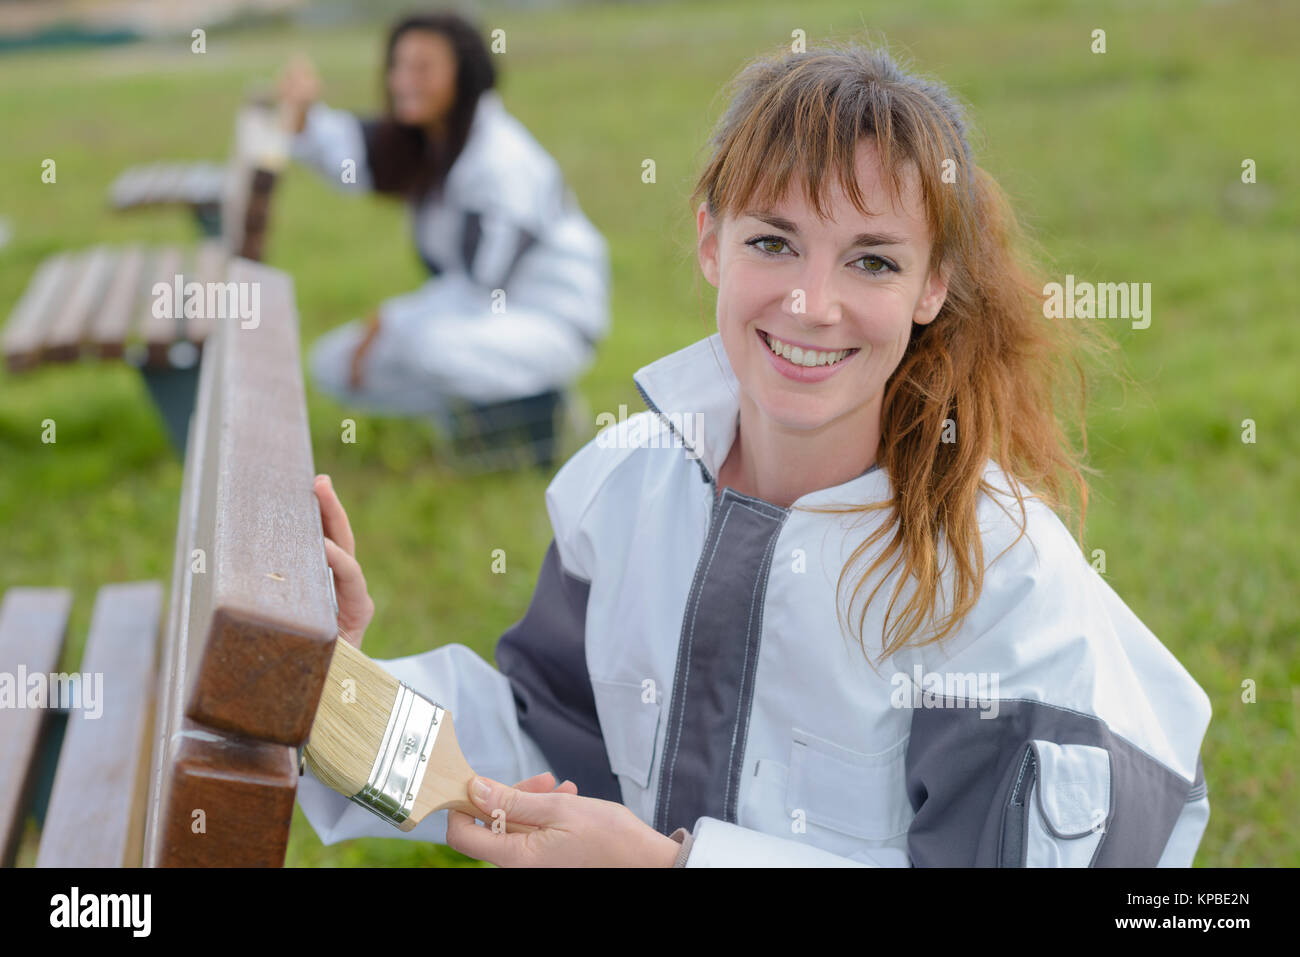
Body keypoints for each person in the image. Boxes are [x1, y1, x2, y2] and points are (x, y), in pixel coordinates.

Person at [297, 41, 1212, 867]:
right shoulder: (619, 486)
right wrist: (322, 681)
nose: (813, 304)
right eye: (774, 242)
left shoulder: (1000, 572)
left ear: (934, 284)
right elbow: (547, 741)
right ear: (711, 243)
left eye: (873, 261)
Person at [279, 11, 610, 435]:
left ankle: (541, 409)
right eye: (398, 66)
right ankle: (477, 419)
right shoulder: (432, 138)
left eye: (422, 68)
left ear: (464, 75)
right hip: (477, 319)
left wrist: (389, 321)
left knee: (420, 345)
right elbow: (357, 155)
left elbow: (480, 286)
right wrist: (305, 117)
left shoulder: (500, 163)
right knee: (332, 364)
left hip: (545, 322)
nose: (403, 80)